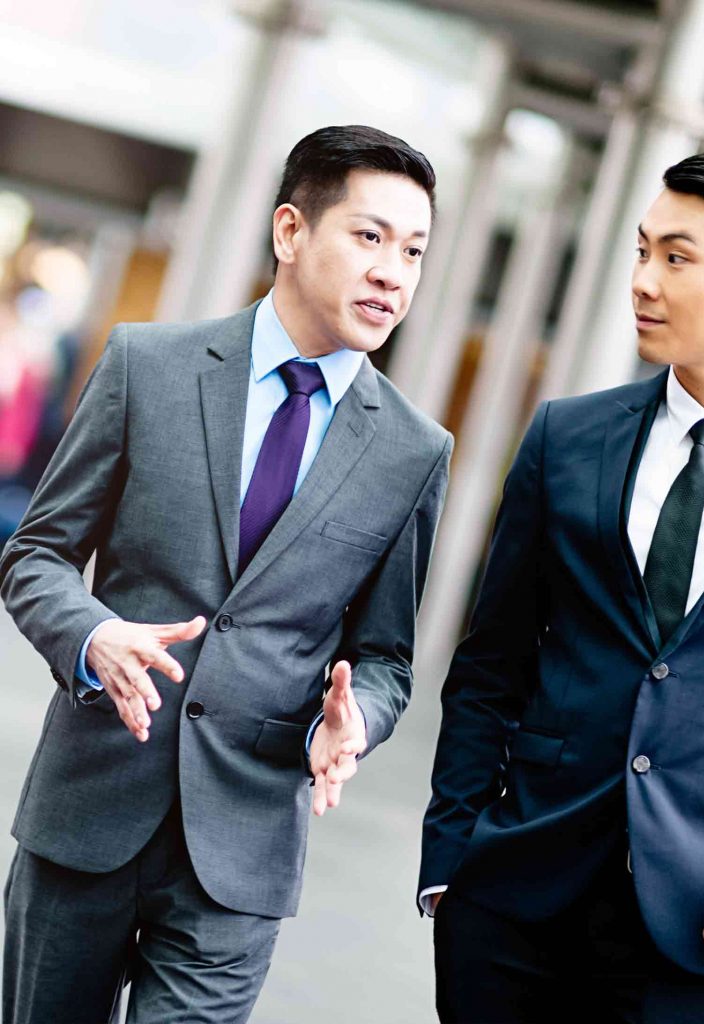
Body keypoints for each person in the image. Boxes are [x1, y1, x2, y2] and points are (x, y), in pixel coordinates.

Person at [0, 124, 452, 1024]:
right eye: (369, 237)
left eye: (412, 250)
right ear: (290, 232)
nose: (393, 273)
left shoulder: (413, 450)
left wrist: (356, 717)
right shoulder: (147, 367)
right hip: (88, 809)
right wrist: (92, 635)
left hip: (241, 851)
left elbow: (390, 655)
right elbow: (37, 552)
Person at [420, 145, 704, 1024]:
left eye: (677, 257)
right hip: (511, 906)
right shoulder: (567, 436)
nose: (643, 280)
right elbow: (489, 668)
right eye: (640, 250)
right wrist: (451, 863)